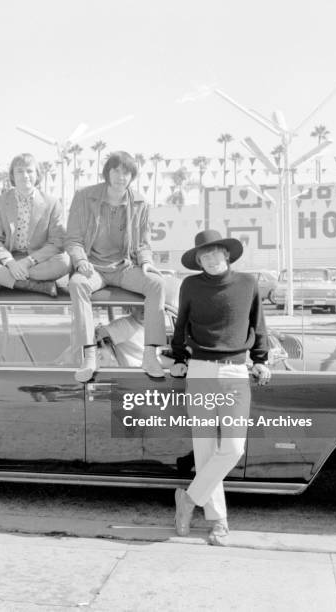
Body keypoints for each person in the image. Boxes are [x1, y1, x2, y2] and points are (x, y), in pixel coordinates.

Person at [170, 229, 271, 546]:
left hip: (235, 372)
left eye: (215, 253)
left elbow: (259, 324)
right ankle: (218, 522)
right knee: (205, 451)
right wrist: (178, 357)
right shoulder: (190, 285)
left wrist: (261, 359)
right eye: (203, 256)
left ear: (227, 255)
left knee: (233, 448)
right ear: (198, 261)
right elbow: (181, 324)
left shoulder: (247, 283)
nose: (210, 259)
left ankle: (188, 498)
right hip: (199, 369)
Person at [65, 151, 167, 382]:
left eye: (127, 172)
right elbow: (73, 239)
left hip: (123, 267)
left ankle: (150, 356)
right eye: (116, 170)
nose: (121, 176)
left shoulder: (139, 202)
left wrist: (147, 262)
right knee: (77, 284)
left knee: (157, 284)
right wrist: (80, 261)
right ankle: (89, 355)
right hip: (92, 267)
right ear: (107, 173)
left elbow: (142, 243)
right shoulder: (84, 196)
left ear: (132, 176)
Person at [0, 153, 70, 296]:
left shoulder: (52, 203)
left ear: (37, 174)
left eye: (29, 171)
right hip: (7, 260)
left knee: (65, 262)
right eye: (20, 171)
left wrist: (27, 262)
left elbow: (57, 242)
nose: (25, 175)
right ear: (13, 176)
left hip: (37, 262)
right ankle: (34, 285)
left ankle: (0, 280)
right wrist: (10, 263)